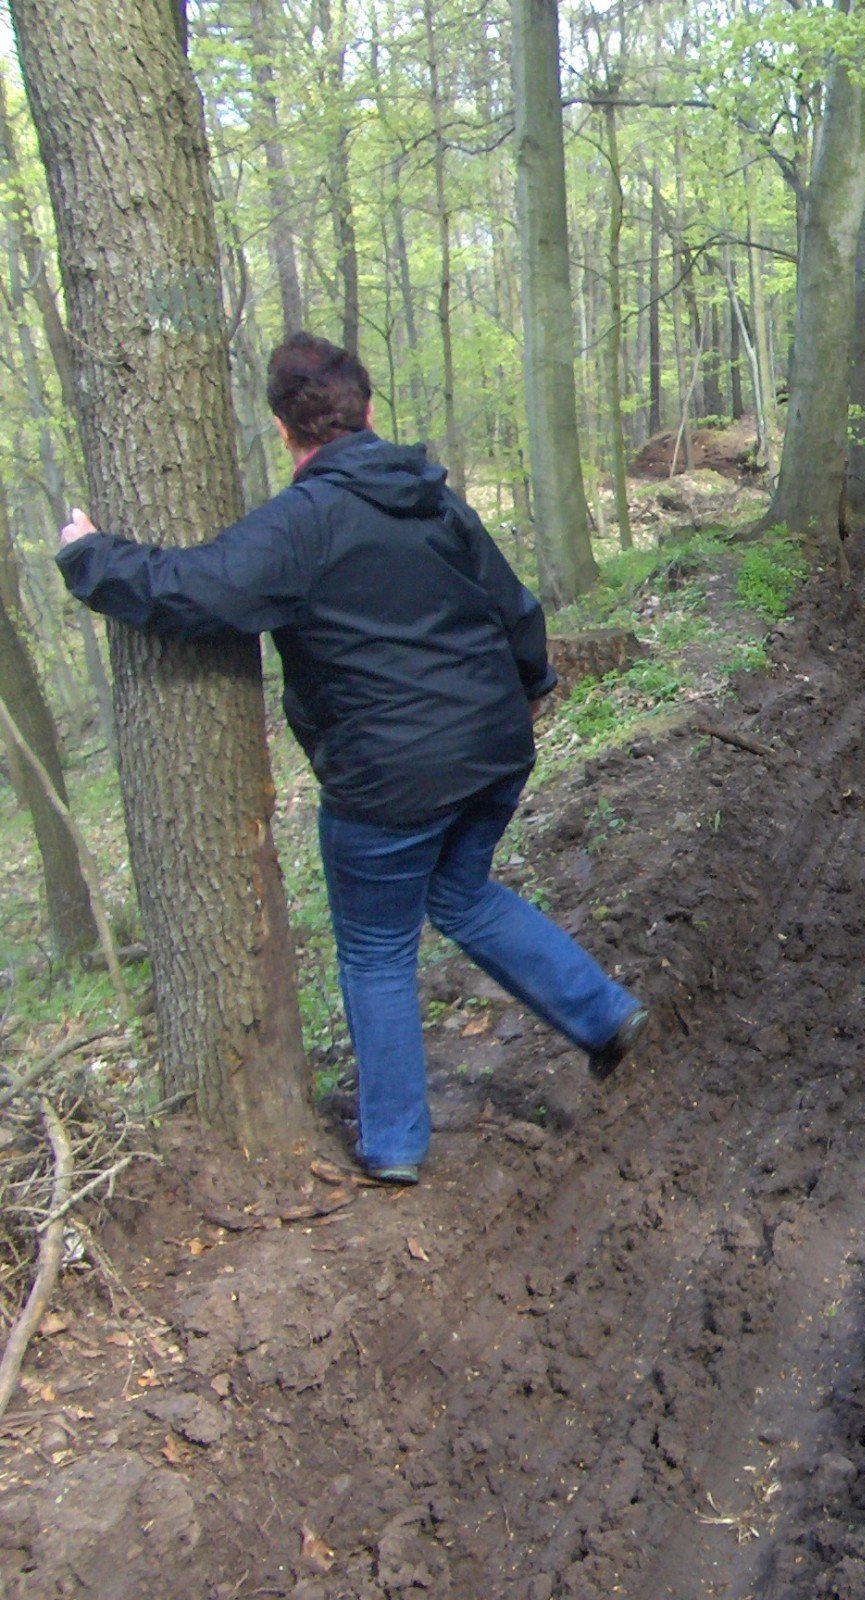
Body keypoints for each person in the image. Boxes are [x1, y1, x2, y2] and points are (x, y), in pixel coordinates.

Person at [55, 332, 646, 1185]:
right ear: (368, 411)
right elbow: (515, 611)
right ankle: (605, 1018)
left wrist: (89, 555)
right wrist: (530, 688)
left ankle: (396, 1144)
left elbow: (194, 590)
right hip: (491, 748)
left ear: (285, 430)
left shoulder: (303, 521)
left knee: (375, 948)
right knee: (462, 894)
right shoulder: (435, 499)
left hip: (388, 777)